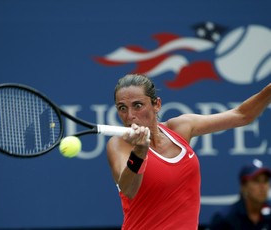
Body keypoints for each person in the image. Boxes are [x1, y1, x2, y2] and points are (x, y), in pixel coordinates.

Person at [106, 73, 271, 230]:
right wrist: (139, 153)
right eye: (122, 108)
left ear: (156, 104)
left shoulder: (181, 127)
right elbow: (128, 189)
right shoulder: (119, 144)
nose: (130, 116)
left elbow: (242, 115)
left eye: (137, 105)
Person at [209, 159, 271, 230]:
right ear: (244, 186)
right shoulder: (225, 218)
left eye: (265, 181)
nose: (262, 187)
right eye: (256, 181)